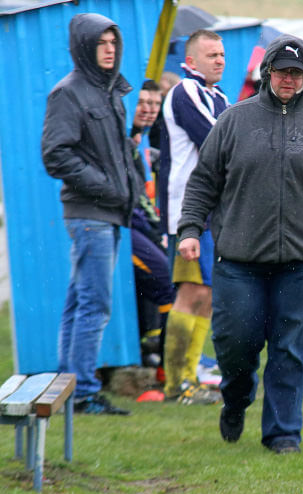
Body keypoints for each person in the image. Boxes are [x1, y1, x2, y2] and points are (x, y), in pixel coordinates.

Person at [177, 34, 303, 454]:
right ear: (268, 73)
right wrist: (190, 229)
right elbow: (203, 183)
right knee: (236, 345)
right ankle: (236, 398)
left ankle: (283, 434)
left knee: (290, 349)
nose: (290, 80)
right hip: (239, 260)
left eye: (298, 74)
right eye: (283, 72)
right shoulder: (234, 121)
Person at [41, 13, 143, 415]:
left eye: (113, 43)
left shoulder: (108, 91)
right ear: (84, 46)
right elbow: (55, 154)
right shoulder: (69, 92)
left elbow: (111, 151)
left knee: (79, 301)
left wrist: (130, 163)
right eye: (101, 43)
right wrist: (109, 186)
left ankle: (68, 388)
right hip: (90, 213)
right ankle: (83, 392)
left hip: (108, 212)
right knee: (94, 304)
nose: (109, 49)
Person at [159, 29, 229, 404]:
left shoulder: (218, 96)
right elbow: (217, 141)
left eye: (221, 54)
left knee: (208, 294)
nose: (219, 60)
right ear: (190, 61)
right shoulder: (186, 91)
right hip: (189, 212)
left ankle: (193, 376)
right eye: (211, 54)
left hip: (213, 213)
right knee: (192, 292)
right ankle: (177, 383)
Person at [129, 80, 175, 370]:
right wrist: (159, 233)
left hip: (143, 227)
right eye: (142, 102)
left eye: (155, 104)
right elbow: (136, 201)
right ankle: (168, 366)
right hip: (128, 228)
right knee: (166, 280)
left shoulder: (142, 141)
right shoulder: (126, 142)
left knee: (165, 284)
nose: (148, 109)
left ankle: (157, 353)